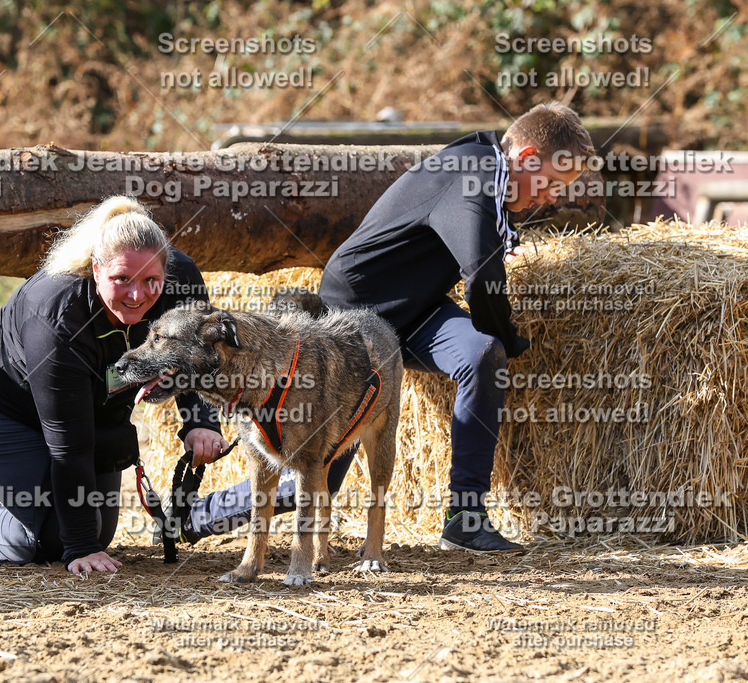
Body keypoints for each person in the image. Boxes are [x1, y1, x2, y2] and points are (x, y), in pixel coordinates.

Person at [178, 101, 594, 553]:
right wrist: (513, 339)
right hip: (358, 316)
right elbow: (482, 279)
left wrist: (498, 341)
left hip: (417, 311)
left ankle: (466, 516)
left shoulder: (494, 175)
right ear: (528, 157)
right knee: (320, 472)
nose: (554, 197)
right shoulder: (471, 172)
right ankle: (192, 516)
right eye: (552, 183)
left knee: (480, 354)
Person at [0, 196, 226, 574]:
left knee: (99, 529)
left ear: (167, 272)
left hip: (86, 399)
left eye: (151, 281)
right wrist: (80, 548)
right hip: (1, 405)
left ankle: (17, 500)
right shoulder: (55, 315)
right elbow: (68, 446)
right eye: (121, 279)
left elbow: (198, 354)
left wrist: (201, 421)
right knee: (58, 539)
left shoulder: (180, 281)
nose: (137, 295)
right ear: (95, 268)